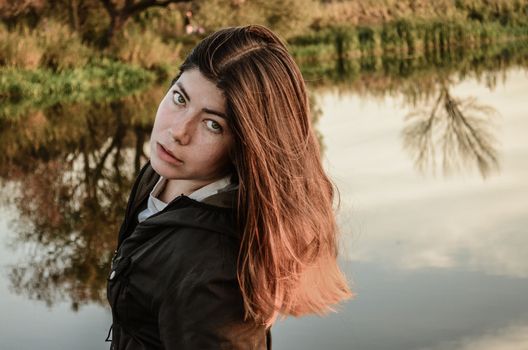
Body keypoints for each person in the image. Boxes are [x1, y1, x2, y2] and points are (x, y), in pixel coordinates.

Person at [106, 24, 352, 350]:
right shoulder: (165, 173)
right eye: (180, 98)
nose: (178, 131)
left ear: (245, 146)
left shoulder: (213, 281)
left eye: (212, 124)